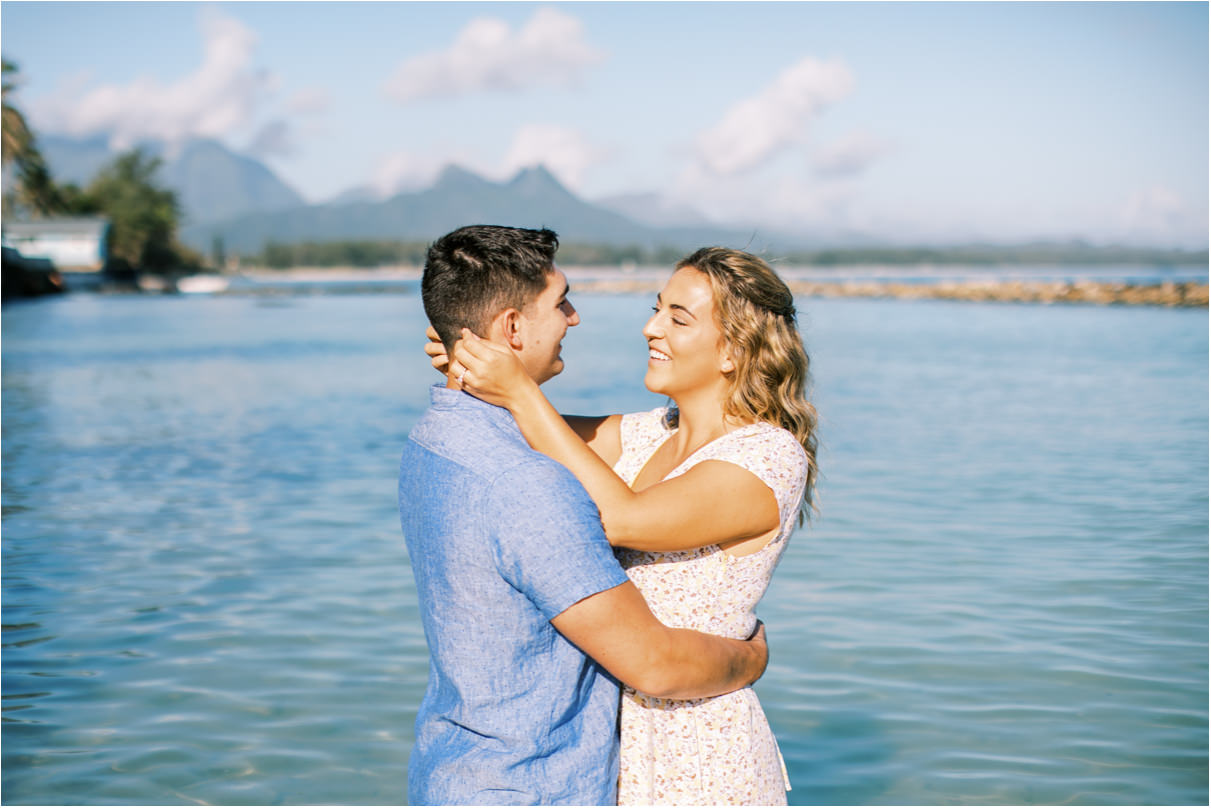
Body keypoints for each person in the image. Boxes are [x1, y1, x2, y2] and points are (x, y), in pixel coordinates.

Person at [399, 225, 770, 806]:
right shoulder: (527, 482)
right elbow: (650, 659)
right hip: (531, 785)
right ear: (513, 329)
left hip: (460, 770)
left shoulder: (436, 438)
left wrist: (476, 369)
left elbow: (558, 433)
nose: (574, 317)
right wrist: (750, 655)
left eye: (677, 317)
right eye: (561, 301)